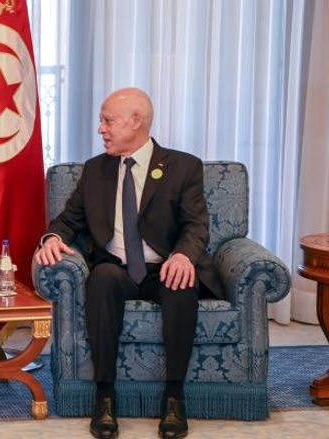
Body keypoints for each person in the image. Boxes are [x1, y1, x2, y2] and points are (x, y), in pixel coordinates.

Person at [34, 87, 223, 439]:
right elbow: (67, 220)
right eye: (101, 121)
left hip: (164, 266)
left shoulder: (182, 166)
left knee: (181, 282)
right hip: (117, 269)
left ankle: (174, 397)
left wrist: (183, 255)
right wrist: (52, 238)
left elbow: (196, 225)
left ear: (136, 121)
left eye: (108, 121)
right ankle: (104, 397)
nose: (101, 129)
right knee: (102, 277)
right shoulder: (95, 170)